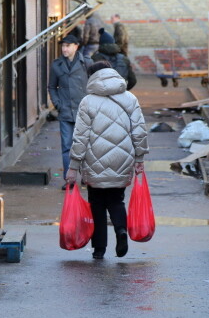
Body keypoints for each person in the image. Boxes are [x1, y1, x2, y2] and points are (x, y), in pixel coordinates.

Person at [66, 60, 149, 259]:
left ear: (92, 77)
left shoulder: (87, 101)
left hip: (95, 158)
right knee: (116, 200)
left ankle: (99, 248)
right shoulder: (130, 98)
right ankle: (121, 231)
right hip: (123, 157)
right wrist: (139, 158)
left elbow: (80, 136)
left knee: (97, 203)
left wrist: (73, 166)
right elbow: (139, 131)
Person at [48, 34, 93, 190]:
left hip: (84, 112)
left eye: (68, 45)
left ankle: (86, 177)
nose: (64, 49)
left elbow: (94, 85)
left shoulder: (86, 63)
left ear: (76, 46)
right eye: (63, 46)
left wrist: (91, 104)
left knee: (86, 145)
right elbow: (52, 87)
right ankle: (69, 180)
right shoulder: (57, 65)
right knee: (67, 146)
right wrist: (57, 104)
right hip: (65, 111)